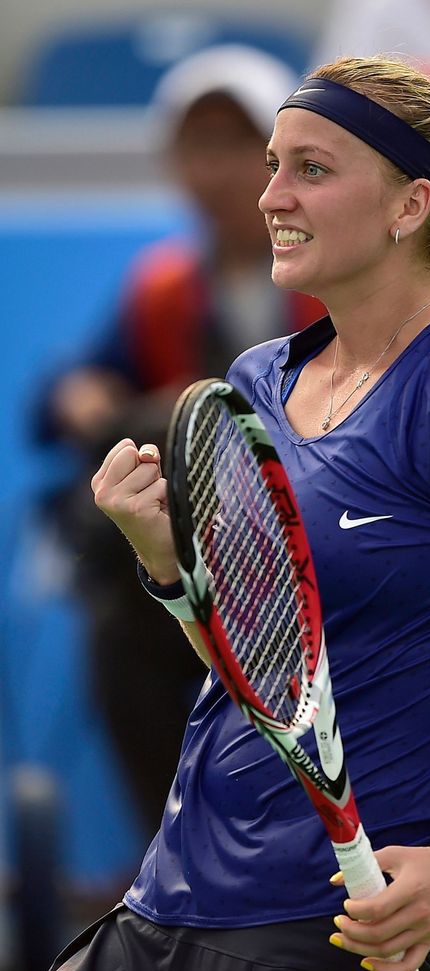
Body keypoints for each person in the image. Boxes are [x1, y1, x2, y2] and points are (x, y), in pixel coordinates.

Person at [48, 55, 430, 971]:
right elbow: (256, 666)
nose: (271, 197)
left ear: (410, 205)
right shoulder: (256, 380)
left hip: (324, 931)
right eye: (273, 164)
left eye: (313, 169)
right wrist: (169, 569)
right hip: (166, 898)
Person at [35, 44, 323, 836]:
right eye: (200, 147)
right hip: (177, 571)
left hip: (308, 562)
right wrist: (89, 400)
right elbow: (73, 392)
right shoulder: (160, 287)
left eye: (243, 147)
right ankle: (172, 853)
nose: (220, 171)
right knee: (119, 628)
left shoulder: (335, 272)